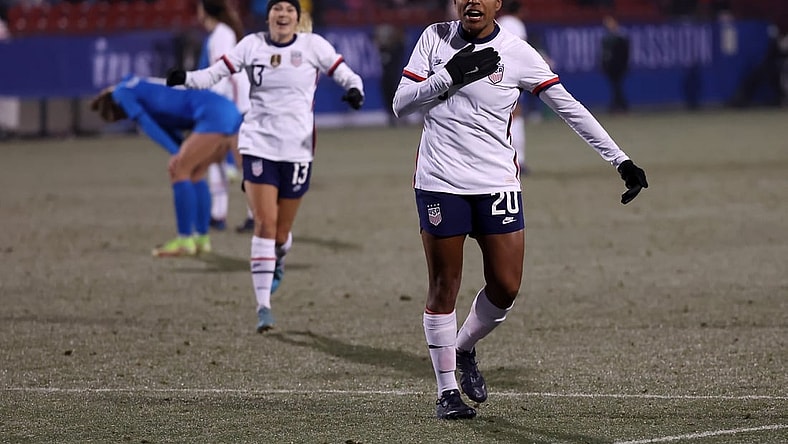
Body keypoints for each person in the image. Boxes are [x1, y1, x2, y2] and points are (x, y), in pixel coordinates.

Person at [392, 0, 648, 420]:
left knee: (506, 286)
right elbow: (401, 103)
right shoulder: (435, 38)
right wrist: (448, 77)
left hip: (496, 183)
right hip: (440, 182)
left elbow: (568, 107)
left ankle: (463, 347)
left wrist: (619, 159)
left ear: (498, 4)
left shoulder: (518, 52)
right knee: (443, 286)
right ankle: (447, 391)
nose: (472, 1)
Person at [166, 0, 365, 332]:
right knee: (264, 224)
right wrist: (185, 78)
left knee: (280, 234)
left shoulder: (313, 46)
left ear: (297, 18)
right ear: (269, 16)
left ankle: (280, 256)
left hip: (298, 151)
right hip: (257, 145)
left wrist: (355, 90)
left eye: (289, 9)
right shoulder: (252, 45)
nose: (283, 14)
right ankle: (263, 307)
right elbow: (214, 74)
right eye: (277, 9)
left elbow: (345, 73)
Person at [90, 74, 243, 257]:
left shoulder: (122, 93)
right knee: (195, 173)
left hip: (213, 114)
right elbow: (168, 124)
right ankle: (202, 240)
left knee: (179, 171)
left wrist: (177, 153)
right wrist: (179, 149)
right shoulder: (138, 85)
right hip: (225, 108)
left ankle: (184, 240)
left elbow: (146, 123)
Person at [196, 0, 251, 232]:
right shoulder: (222, 33)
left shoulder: (221, 34)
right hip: (230, 103)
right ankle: (218, 214)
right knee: (214, 159)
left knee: (242, 162)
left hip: (232, 106)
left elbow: (224, 72)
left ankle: (255, 214)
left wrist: (217, 106)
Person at [496, 0, 528, 173]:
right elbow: (520, 50)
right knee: (516, 115)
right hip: (511, 74)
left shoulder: (499, 23)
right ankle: (518, 160)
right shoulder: (517, 24)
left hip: (495, 74)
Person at [600, 15, 630, 113]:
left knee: (617, 86)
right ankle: (619, 105)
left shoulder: (621, 36)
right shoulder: (606, 38)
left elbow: (625, 53)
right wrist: (604, 65)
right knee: (615, 86)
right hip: (610, 67)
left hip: (619, 66)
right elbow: (604, 54)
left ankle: (619, 105)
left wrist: (624, 65)